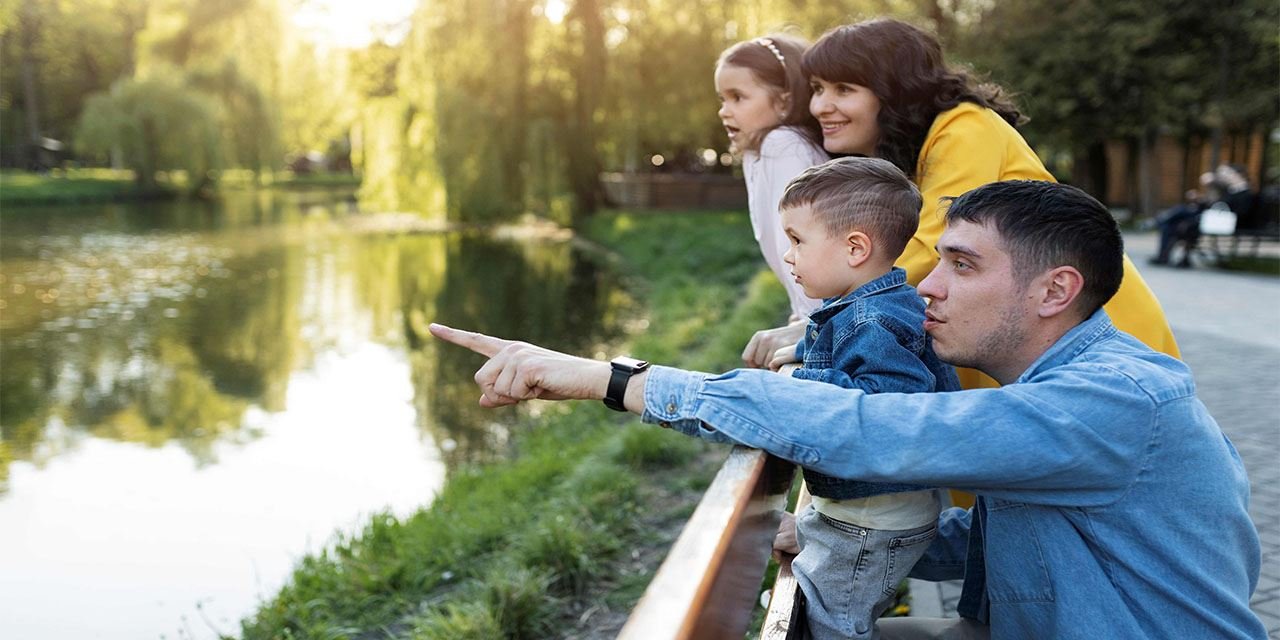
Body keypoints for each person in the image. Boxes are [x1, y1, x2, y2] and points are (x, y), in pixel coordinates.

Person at [429, 180, 1265, 640]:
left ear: (1055, 291)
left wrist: (609, 379)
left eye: (963, 267)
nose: (927, 286)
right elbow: (1014, 534)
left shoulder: (1114, 400)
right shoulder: (1068, 397)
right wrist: (843, 534)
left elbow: (876, 430)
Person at [786, 18, 1179, 381]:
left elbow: (921, 250)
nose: (820, 105)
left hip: (1084, 326)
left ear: (893, 93)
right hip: (1033, 327)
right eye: (818, 89)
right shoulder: (910, 155)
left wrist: (828, 322)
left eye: (844, 89)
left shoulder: (965, 128)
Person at [763, 156, 960, 638]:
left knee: (831, 622)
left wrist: (798, 383)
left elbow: (889, 404)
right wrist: (799, 353)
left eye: (797, 241)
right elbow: (832, 348)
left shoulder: (871, 320)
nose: (789, 256)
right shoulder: (875, 304)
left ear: (855, 248)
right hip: (872, 511)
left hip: (870, 519)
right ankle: (812, 531)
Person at [714, 34, 831, 367]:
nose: (724, 111)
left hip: (824, 321)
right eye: (722, 99)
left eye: (738, 97)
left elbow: (805, 244)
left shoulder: (783, 146)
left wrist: (811, 323)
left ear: (783, 101)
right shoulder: (760, 151)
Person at [1150, 189, 1207, 268]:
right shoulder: (1190, 207)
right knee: (1167, 228)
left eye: (1193, 194)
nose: (1191, 196)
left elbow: (1198, 217)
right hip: (1181, 229)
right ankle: (1163, 256)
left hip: (1190, 231)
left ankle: (1158, 222)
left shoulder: (1200, 206)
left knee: (1168, 225)